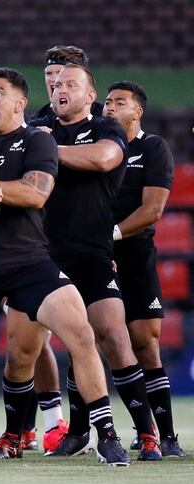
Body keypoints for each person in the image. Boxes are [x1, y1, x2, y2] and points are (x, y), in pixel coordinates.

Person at [0, 67, 130, 466]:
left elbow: (36, 192)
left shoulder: (38, 140)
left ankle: (107, 435)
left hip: (30, 262)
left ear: (20, 104)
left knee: (80, 333)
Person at [32, 64, 161, 461]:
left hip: (92, 253)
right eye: (55, 84)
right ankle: (61, 433)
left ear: (92, 97)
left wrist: (48, 150)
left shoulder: (105, 129)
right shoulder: (36, 126)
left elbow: (104, 159)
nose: (60, 88)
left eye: (71, 84)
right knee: (40, 348)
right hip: (42, 255)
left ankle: (148, 433)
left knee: (115, 339)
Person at [105, 80, 186, 457]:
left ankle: (166, 436)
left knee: (145, 344)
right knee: (97, 343)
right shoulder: (96, 148)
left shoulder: (152, 148)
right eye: (106, 102)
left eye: (119, 102)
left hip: (134, 254)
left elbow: (153, 210)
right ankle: (95, 432)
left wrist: (112, 235)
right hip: (95, 255)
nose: (109, 108)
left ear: (137, 111)